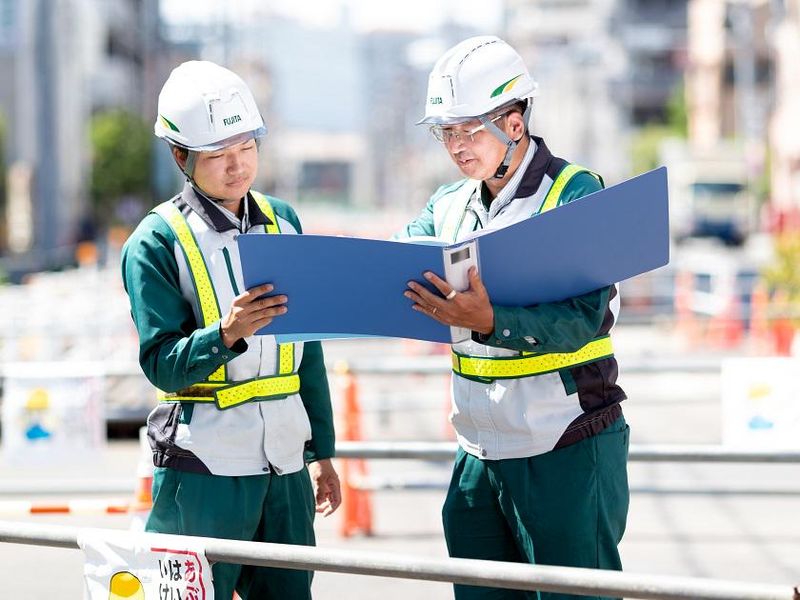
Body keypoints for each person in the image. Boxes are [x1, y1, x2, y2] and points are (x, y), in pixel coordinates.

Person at [396, 36, 630, 600]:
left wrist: (490, 321)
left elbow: (584, 319)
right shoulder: (447, 203)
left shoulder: (575, 194)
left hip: (566, 442)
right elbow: (400, 269)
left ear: (515, 122)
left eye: (468, 129)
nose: (455, 145)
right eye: (445, 131)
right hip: (477, 450)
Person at [121, 60, 341, 600]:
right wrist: (225, 333)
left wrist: (323, 452)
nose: (237, 166)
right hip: (204, 467)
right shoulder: (156, 242)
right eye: (218, 155)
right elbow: (159, 362)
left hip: (285, 464)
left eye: (246, 147)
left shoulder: (283, 219)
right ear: (181, 155)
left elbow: (304, 349)